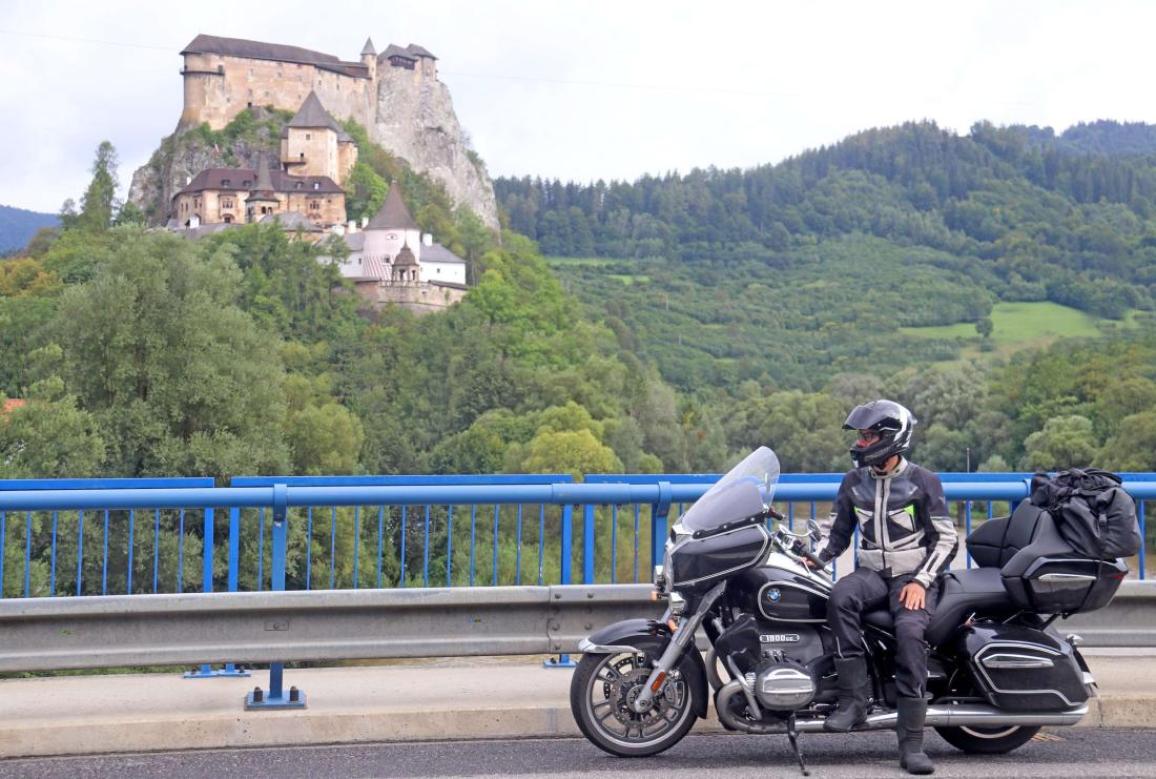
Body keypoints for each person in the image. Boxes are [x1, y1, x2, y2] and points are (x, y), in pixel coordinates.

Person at [806, 399, 957, 776]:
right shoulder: (853, 482)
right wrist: (814, 559)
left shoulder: (924, 481)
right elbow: (838, 534)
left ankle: (912, 746)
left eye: (869, 436)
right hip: (872, 573)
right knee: (839, 596)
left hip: (912, 576)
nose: (861, 443)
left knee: (908, 632)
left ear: (891, 439)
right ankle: (853, 702)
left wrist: (923, 580)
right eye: (860, 436)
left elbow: (946, 539)